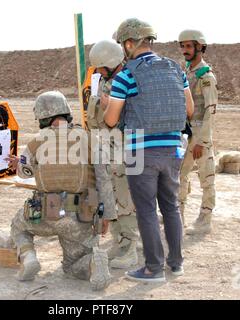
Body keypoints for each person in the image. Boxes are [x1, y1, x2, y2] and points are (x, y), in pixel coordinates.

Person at [103, 18, 194, 282]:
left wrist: (108, 102)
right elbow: (189, 111)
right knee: (171, 207)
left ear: (130, 43)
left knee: (146, 210)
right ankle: (176, 264)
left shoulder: (126, 76)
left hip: (140, 152)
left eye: (123, 44)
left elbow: (110, 120)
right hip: (174, 149)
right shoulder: (176, 69)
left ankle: (153, 269)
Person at [6, 91, 117, 291]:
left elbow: (24, 172)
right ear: (65, 112)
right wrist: (107, 215)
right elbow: (104, 180)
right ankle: (93, 261)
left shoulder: (37, 141)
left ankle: (29, 257)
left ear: (42, 117)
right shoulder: (91, 140)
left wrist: (18, 163)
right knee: (72, 266)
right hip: (80, 218)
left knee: (18, 227)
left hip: (45, 214)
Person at [87, 40, 139, 269]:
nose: (97, 72)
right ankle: (120, 243)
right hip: (111, 147)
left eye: (99, 67)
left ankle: (130, 250)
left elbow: (127, 116)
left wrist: (108, 106)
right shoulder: (109, 81)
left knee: (125, 200)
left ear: (109, 63)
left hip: (126, 148)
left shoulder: (127, 80)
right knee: (114, 199)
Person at [178, 30, 218, 234]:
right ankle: (179, 216)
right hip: (186, 135)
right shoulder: (186, 73)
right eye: (182, 46)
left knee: (206, 177)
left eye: (189, 46)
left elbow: (211, 111)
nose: (185, 50)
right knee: (180, 175)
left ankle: (205, 219)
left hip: (200, 135)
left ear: (200, 47)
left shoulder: (206, 77)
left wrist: (201, 141)